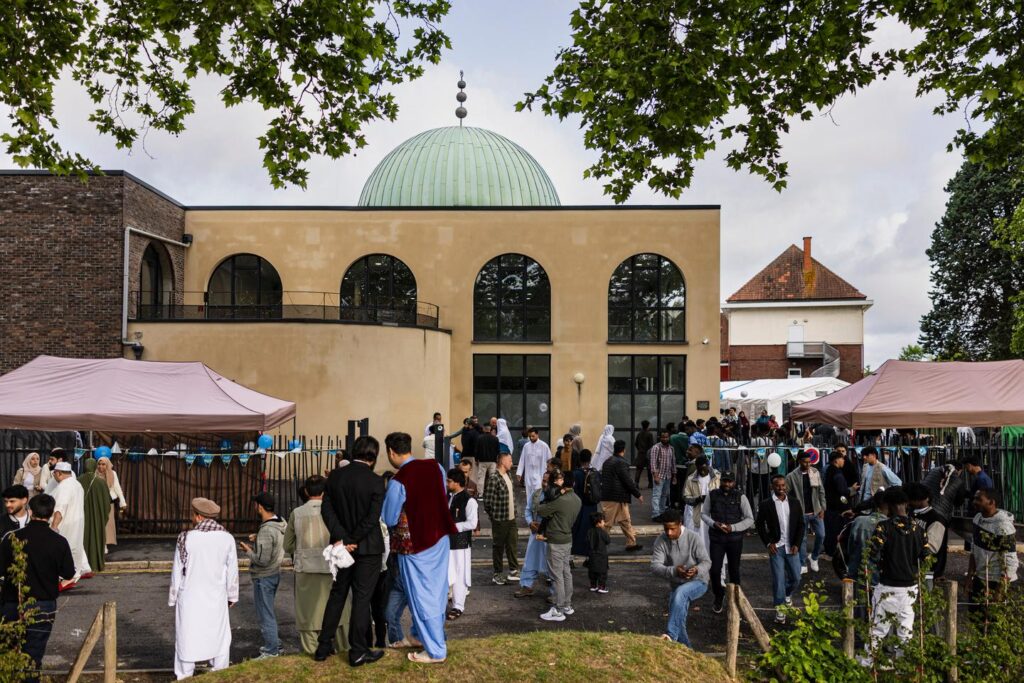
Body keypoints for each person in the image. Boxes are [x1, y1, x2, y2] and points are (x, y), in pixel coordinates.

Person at [381, 431, 458, 664]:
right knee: (436, 591)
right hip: (440, 537)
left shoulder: (399, 480)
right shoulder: (436, 467)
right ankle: (418, 635)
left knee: (421, 595)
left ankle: (435, 650)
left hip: (415, 544)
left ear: (391, 452)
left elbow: (389, 517)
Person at [316, 435, 386, 666]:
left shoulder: (335, 476)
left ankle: (323, 646)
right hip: (368, 546)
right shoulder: (376, 481)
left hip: (341, 546)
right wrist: (352, 539)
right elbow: (372, 518)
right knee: (362, 599)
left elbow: (326, 510)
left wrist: (343, 538)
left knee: (337, 594)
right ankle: (358, 650)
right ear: (373, 456)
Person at [0, 494, 75, 683]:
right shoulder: (59, 542)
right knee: (34, 654)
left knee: (8, 651)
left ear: (30, 511)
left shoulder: (13, 538)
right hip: (43, 603)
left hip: (13, 601)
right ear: (51, 513)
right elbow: (68, 572)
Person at [169, 497, 239, 680]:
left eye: (193, 515)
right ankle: (220, 672)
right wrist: (232, 596)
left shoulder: (185, 538)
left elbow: (177, 570)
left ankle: (184, 676)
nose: (192, 518)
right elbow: (232, 571)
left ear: (199, 516)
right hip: (216, 596)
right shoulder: (227, 538)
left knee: (187, 636)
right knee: (219, 635)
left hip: (190, 596)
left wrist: (173, 597)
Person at [860, 487, 926, 666]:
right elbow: (926, 556)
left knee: (878, 628)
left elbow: (873, 553)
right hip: (910, 586)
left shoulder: (884, 527)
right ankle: (904, 666)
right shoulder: (919, 529)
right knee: (906, 630)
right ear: (905, 504)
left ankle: (868, 662)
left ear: (889, 506)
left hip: (888, 584)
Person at [284, 475, 348, 656]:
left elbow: (287, 545)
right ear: (325, 491)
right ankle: (343, 648)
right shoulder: (336, 510)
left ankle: (312, 650)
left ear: (306, 491)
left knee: (308, 612)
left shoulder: (297, 513)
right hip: (333, 566)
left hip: (306, 568)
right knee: (341, 611)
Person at [650, 508, 710, 647]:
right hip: (677, 584)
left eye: (672, 529)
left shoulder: (693, 537)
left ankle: (671, 635)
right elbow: (654, 566)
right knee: (678, 617)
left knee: (680, 594)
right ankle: (687, 650)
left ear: (680, 524)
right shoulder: (661, 540)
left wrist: (696, 570)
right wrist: (674, 571)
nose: (669, 533)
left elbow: (706, 562)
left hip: (698, 581)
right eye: (666, 529)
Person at [239, 492, 286, 659]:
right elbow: (273, 543)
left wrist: (248, 550)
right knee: (268, 611)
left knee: (265, 614)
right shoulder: (281, 522)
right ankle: (275, 645)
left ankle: (271, 650)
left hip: (264, 576)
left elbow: (262, 560)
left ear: (259, 507)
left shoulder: (267, 529)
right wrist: (258, 537)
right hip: (274, 573)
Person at [756, 475, 805, 624]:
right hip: (776, 548)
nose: (781, 488)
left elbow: (801, 524)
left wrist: (797, 544)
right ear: (772, 487)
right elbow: (759, 525)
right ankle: (780, 609)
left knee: (796, 578)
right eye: (778, 485)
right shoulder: (766, 504)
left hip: (792, 547)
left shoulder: (795, 502)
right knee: (778, 580)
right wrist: (768, 543)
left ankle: (787, 594)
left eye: (783, 485)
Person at [703, 471, 754, 614]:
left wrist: (733, 528)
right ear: (721, 481)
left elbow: (750, 519)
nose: (727, 484)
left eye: (730, 481)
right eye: (724, 481)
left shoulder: (741, 497)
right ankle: (719, 596)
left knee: (734, 570)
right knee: (714, 570)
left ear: (734, 482)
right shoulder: (712, 495)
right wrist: (714, 524)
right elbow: (703, 514)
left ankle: (736, 600)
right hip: (716, 539)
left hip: (734, 540)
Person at [537, 470, 582, 622]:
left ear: (563, 482)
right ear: (573, 483)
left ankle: (558, 609)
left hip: (555, 541)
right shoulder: (577, 499)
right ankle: (567, 605)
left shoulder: (560, 500)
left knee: (557, 576)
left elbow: (541, 510)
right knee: (566, 573)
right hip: (567, 539)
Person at [967, 487, 1019, 617]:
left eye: (979, 499)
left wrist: (999, 592)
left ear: (991, 502)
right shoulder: (978, 518)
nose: (974, 502)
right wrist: (970, 577)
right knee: (975, 618)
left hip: (996, 581)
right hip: (980, 578)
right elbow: (974, 549)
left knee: (994, 620)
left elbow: (1011, 562)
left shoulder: (1003, 526)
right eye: (974, 498)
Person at [481, 451, 519, 585]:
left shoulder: (508, 475)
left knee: (512, 544)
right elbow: (487, 501)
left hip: (511, 518)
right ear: (502, 462)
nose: (511, 463)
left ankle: (513, 571)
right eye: (510, 460)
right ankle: (497, 574)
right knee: (498, 547)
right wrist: (494, 517)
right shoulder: (494, 478)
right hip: (500, 519)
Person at [600, 440, 644, 553]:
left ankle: (631, 543)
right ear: (624, 450)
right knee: (607, 524)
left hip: (611, 496)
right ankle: (599, 546)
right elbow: (627, 480)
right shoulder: (621, 463)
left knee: (625, 520)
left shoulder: (607, 462)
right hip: (615, 497)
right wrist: (638, 494)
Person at [786, 451, 826, 574]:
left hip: (816, 510)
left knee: (821, 535)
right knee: (802, 539)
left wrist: (823, 508)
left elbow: (821, 491)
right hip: (801, 513)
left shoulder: (815, 472)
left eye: (809, 462)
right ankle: (802, 563)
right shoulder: (791, 476)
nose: (808, 464)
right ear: (799, 462)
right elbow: (786, 493)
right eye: (805, 462)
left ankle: (814, 557)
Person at [50, 461, 89, 585]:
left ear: (59, 473)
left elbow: (60, 507)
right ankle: (72, 574)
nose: (54, 476)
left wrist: (54, 526)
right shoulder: (77, 484)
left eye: (54, 473)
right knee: (74, 547)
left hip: (65, 523)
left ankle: (65, 577)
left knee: (63, 550)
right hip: (77, 522)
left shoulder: (64, 486)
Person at [446, 468, 478, 620]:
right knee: (446, 573)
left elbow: (472, 523)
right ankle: (444, 602)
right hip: (446, 542)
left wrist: (453, 527)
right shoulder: (447, 496)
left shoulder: (469, 500)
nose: (447, 484)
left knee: (460, 575)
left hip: (460, 544)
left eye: (449, 481)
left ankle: (458, 606)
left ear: (457, 483)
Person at [514, 470, 551, 600]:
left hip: (551, 535)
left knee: (553, 563)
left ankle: (556, 592)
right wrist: (530, 523)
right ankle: (526, 586)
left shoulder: (558, 497)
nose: (545, 484)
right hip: (536, 533)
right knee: (530, 560)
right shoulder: (536, 494)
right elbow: (528, 510)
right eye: (543, 481)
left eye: (548, 481)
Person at [905, 482, 949, 583]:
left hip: (928, 570)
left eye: (913, 499)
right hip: (910, 567)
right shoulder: (909, 513)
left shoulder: (936, 519)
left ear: (925, 499)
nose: (910, 502)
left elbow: (931, 548)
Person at [76, 457, 111, 574]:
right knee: (96, 537)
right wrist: (103, 516)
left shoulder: (78, 481)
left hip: (81, 516)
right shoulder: (101, 482)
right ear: (95, 466)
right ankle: (96, 564)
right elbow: (107, 504)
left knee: (83, 538)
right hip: (97, 518)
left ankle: (82, 566)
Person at [845, 495, 889, 585]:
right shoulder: (890, 526)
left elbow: (850, 548)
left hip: (855, 571)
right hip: (877, 576)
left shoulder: (859, 521)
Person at [824, 450, 858, 557]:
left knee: (829, 530)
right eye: (842, 458)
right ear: (836, 460)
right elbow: (842, 491)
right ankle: (836, 553)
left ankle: (829, 551)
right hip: (838, 508)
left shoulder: (828, 470)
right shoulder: (837, 473)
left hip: (829, 505)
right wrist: (852, 489)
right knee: (837, 530)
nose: (843, 460)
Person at [683, 455, 719, 553]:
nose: (702, 471)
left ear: (708, 465)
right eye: (699, 469)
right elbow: (686, 498)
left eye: (704, 468)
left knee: (711, 537)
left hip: (713, 512)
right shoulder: (691, 479)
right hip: (697, 511)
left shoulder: (717, 477)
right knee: (697, 537)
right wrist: (698, 499)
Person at [571, 450, 601, 558]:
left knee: (577, 529)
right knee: (591, 529)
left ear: (580, 459)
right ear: (590, 459)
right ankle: (590, 553)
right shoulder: (595, 473)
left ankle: (575, 552)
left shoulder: (576, 473)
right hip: (592, 505)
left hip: (579, 505)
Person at [95, 456, 127, 552]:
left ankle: (105, 544)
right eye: (99, 464)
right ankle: (99, 544)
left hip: (109, 502)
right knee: (98, 524)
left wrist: (122, 501)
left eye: (103, 464)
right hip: (97, 503)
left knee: (108, 525)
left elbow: (117, 488)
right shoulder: (95, 474)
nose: (101, 466)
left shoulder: (113, 473)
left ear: (107, 465)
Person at [649, 430, 675, 522]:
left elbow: (673, 462)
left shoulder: (671, 448)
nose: (665, 439)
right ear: (660, 438)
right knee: (657, 495)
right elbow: (653, 463)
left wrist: (674, 475)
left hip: (668, 476)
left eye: (666, 437)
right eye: (663, 437)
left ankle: (662, 512)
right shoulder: (656, 447)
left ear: (669, 437)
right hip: (659, 475)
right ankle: (655, 514)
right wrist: (655, 476)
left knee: (664, 495)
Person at [517, 428, 549, 497]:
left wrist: (548, 474)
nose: (531, 438)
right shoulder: (526, 446)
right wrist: (519, 472)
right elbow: (522, 460)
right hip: (529, 474)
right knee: (529, 494)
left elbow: (549, 460)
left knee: (538, 494)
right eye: (529, 436)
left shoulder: (544, 446)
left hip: (540, 474)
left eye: (533, 436)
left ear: (537, 435)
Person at [587, 511, 611, 593]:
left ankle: (593, 586)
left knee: (592, 572)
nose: (604, 522)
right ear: (598, 523)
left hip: (592, 555)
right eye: (603, 521)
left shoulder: (589, 531)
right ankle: (601, 587)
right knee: (602, 572)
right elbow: (608, 541)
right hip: (601, 556)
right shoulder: (603, 532)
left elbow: (587, 541)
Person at [474, 422, 500, 492]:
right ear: (490, 429)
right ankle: (492, 492)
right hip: (493, 461)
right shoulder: (495, 439)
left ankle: (480, 493)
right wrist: (497, 459)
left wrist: (476, 459)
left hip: (482, 461)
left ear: (483, 429)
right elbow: (498, 450)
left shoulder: (479, 438)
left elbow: (476, 450)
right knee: (492, 478)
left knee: (481, 478)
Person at [633, 420, 655, 489]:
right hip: (648, 454)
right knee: (649, 469)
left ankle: (636, 483)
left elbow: (636, 443)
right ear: (648, 426)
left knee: (639, 469)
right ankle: (650, 484)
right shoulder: (649, 434)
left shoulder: (639, 434)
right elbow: (651, 445)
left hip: (641, 454)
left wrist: (640, 449)